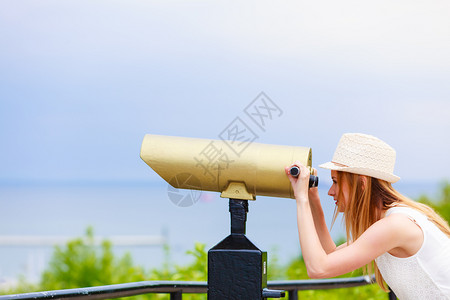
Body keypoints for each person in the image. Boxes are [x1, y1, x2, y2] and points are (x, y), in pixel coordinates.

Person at [285, 133, 450, 299]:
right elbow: (330, 254)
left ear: (362, 184)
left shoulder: (395, 225)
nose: (330, 191)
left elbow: (318, 268)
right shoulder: (389, 220)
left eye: (335, 182)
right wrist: (313, 198)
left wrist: (301, 199)